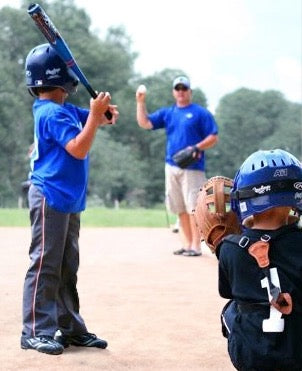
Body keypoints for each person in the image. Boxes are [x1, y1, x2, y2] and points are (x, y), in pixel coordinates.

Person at [21, 43, 119, 355]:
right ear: (64, 79)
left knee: (66, 267)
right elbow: (78, 147)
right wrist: (93, 116)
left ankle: (70, 327)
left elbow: (96, 120)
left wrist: (100, 116)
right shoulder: (51, 113)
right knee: (46, 264)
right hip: (51, 196)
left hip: (65, 199)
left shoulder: (60, 110)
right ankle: (36, 330)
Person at [218, 149, 302, 370]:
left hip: (249, 356)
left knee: (233, 306)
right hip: (297, 354)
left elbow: (227, 291)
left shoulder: (229, 247)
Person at [136, 76, 218, 256]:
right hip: (172, 165)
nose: (181, 91)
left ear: (190, 91)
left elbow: (213, 136)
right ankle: (187, 244)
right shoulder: (169, 113)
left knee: (193, 208)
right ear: (174, 92)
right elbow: (145, 123)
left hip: (193, 167)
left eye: (184, 88)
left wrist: (197, 147)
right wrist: (140, 102)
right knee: (179, 207)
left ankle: (197, 246)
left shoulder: (200, 113)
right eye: (177, 88)